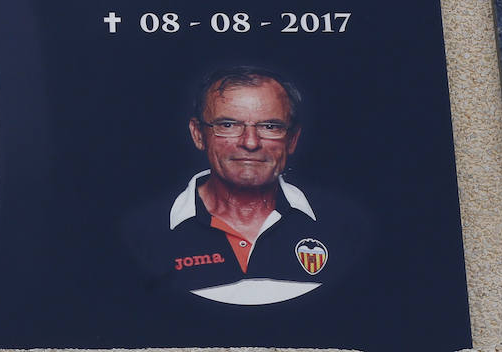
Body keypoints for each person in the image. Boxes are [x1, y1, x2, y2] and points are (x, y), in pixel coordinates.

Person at [124, 65, 364, 306]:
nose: (250, 142)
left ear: (292, 139)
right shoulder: (143, 234)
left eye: (270, 126)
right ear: (198, 134)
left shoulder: (345, 227)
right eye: (228, 125)